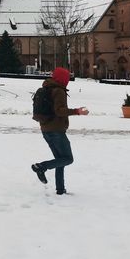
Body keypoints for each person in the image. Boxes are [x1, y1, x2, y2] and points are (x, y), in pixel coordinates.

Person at [31, 67, 89, 195]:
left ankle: (60, 190)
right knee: (68, 159)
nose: (68, 81)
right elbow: (59, 111)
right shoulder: (58, 91)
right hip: (56, 130)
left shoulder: (47, 88)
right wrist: (77, 111)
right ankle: (41, 167)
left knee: (60, 159)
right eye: (67, 78)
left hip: (46, 129)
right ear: (63, 79)